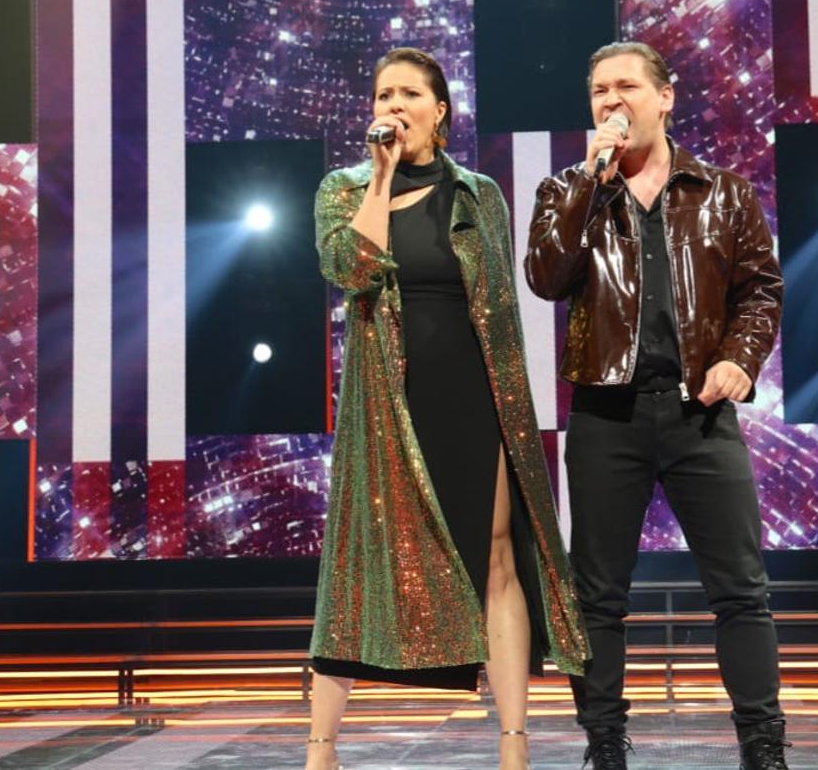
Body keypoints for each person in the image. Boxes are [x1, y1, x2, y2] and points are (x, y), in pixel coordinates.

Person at [307, 47, 588, 770]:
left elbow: (499, 310)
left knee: (497, 556)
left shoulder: (478, 194)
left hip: (471, 393)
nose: (392, 105)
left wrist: (510, 410)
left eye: (408, 94)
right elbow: (351, 268)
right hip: (386, 400)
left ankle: (514, 740)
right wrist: (380, 177)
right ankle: (321, 747)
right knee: (355, 563)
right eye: (383, 94)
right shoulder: (344, 187)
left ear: (440, 112)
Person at [524, 42, 790, 770]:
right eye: (599, 90)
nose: (611, 101)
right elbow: (546, 277)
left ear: (665, 97)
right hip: (605, 415)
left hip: (699, 414)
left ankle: (763, 745)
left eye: (626, 86)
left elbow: (760, 290)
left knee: (741, 590)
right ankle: (605, 744)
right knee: (598, 594)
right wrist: (589, 181)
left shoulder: (723, 193)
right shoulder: (568, 189)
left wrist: (738, 358)